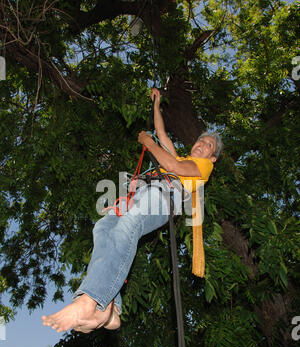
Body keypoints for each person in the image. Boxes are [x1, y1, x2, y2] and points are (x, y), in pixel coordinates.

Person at [42, 88, 223, 333]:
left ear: (212, 157)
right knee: (103, 226)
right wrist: (157, 104)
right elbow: (161, 133)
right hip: (141, 194)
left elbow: (168, 163)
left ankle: (89, 300)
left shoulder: (203, 167)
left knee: (128, 226)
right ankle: (111, 310)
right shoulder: (181, 158)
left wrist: (149, 144)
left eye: (208, 144)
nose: (201, 144)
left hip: (164, 196)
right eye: (200, 140)